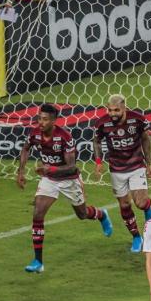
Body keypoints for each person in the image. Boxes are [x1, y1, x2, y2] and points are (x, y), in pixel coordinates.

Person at [17, 103, 113, 273]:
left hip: (69, 180)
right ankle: (38, 262)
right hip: (49, 179)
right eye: (40, 118)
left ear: (54, 121)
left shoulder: (64, 137)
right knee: (37, 214)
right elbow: (26, 148)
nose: (41, 122)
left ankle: (101, 214)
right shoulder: (35, 133)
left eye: (45, 119)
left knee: (82, 214)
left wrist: (50, 168)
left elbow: (72, 167)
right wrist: (21, 171)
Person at [94, 94, 151, 253]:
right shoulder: (102, 123)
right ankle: (136, 237)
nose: (112, 113)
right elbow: (96, 141)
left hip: (136, 166)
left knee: (141, 203)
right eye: (110, 110)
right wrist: (98, 162)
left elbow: (145, 139)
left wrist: (149, 164)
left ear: (124, 108)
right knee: (125, 205)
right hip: (116, 169)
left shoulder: (137, 119)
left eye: (116, 110)